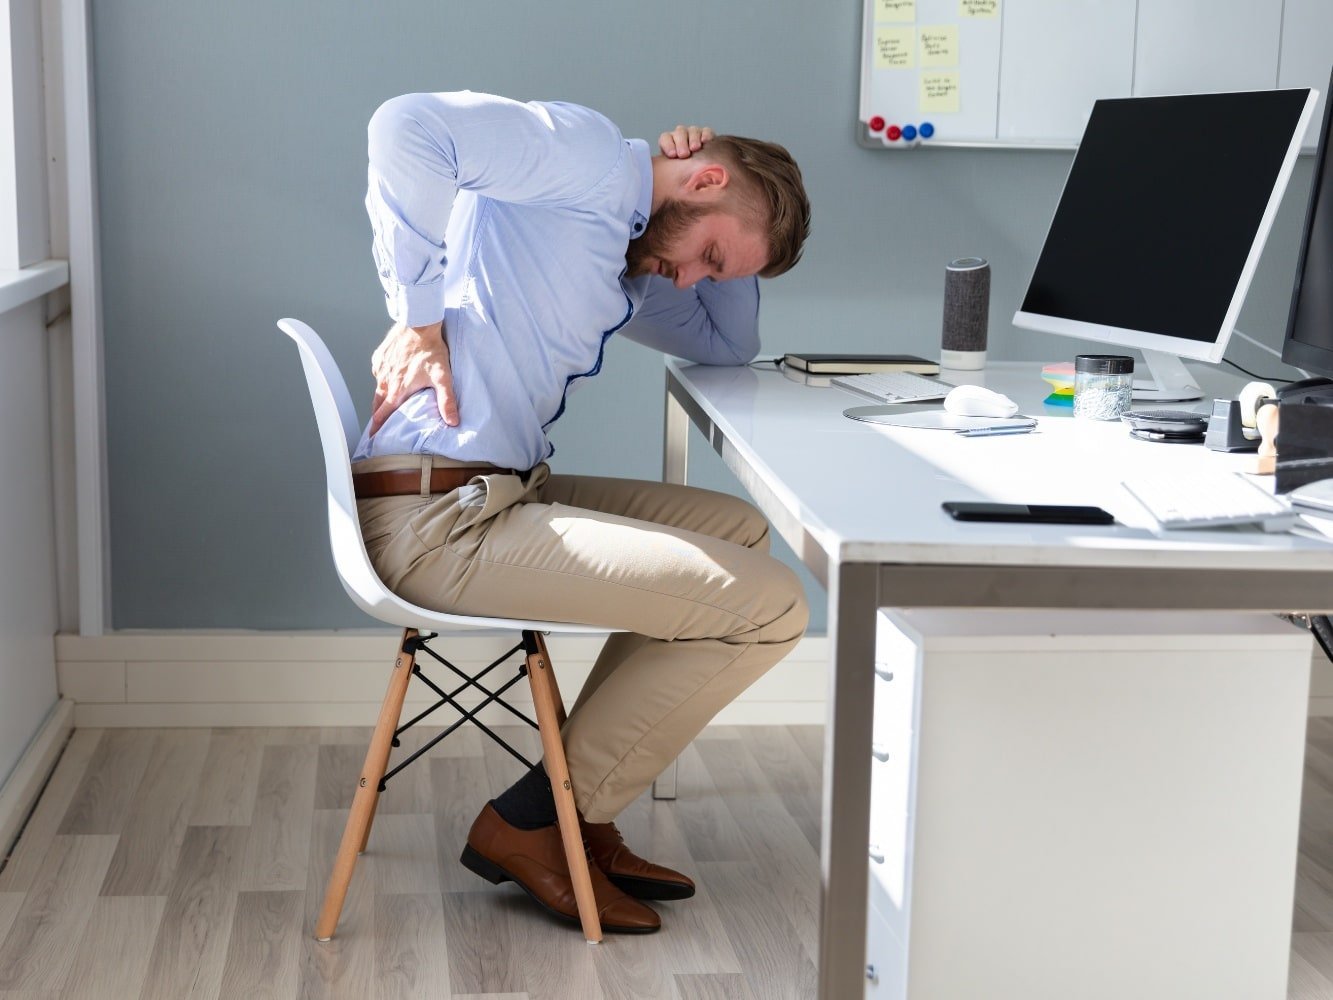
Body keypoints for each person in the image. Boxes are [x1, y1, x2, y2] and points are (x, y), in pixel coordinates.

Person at [353, 90, 811, 934]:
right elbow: (406, 126)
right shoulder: (590, 162)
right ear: (704, 180)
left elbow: (727, 345)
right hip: (436, 519)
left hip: (485, 490)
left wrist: (734, 241)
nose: (692, 279)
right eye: (709, 256)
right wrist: (417, 321)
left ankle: (577, 811)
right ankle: (538, 820)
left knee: (738, 531)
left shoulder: (625, 255)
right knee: (774, 607)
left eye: (714, 274)